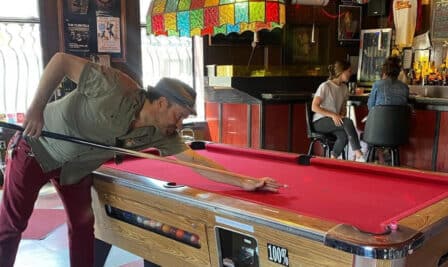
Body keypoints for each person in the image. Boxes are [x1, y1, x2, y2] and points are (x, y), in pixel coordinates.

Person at [0, 52, 282, 267]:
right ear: (162, 103)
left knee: (84, 225)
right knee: (14, 223)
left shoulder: (161, 133)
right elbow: (60, 60)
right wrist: (35, 109)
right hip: (36, 148)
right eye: (180, 114)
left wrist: (243, 181)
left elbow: (196, 163)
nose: (181, 122)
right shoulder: (113, 86)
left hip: (76, 168)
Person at [311, 60, 365, 162]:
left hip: (333, 121)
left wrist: (341, 114)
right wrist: (333, 115)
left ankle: (332, 159)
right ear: (342, 72)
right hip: (320, 121)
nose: (350, 74)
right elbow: (314, 107)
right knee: (348, 122)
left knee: (343, 135)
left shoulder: (344, 88)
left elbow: (342, 108)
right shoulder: (325, 86)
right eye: (349, 71)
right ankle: (358, 153)